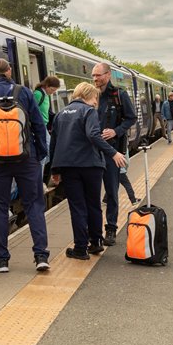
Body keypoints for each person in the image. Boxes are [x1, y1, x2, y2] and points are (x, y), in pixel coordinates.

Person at [0, 58, 50, 272]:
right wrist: (40, 153)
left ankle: (1, 259)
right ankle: (41, 256)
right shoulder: (24, 93)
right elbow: (38, 125)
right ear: (9, 71)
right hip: (27, 159)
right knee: (34, 205)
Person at [50, 82, 127, 259]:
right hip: (92, 166)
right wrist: (113, 152)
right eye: (95, 98)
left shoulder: (60, 115)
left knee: (77, 208)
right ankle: (96, 242)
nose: (95, 103)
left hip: (69, 168)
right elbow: (93, 135)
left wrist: (54, 170)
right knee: (93, 205)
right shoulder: (88, 111)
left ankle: (80, 249)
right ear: (87, 95)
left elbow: (54, 145)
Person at [91, 63, 137, 246]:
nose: (95, 79)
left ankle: (111, 228)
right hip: (92, 152)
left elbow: (131, 118)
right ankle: (94, 232)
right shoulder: (90, 95)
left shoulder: (119, 95)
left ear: (108, 75)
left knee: (111, 191)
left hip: (112, 151)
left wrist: (116, 131)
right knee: (93, 193)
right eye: (93, 76)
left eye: (98, 75)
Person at [33, 76, 61, 177]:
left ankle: (40, 175)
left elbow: (47, 112)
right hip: (39, 127)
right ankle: (38, 177)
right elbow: (31, 110)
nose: (53, 92)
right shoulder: (38, 94)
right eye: (52, 89)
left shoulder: (46, 95)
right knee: (47, 150)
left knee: (49, 151)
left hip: (44, 126)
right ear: (47, 86)